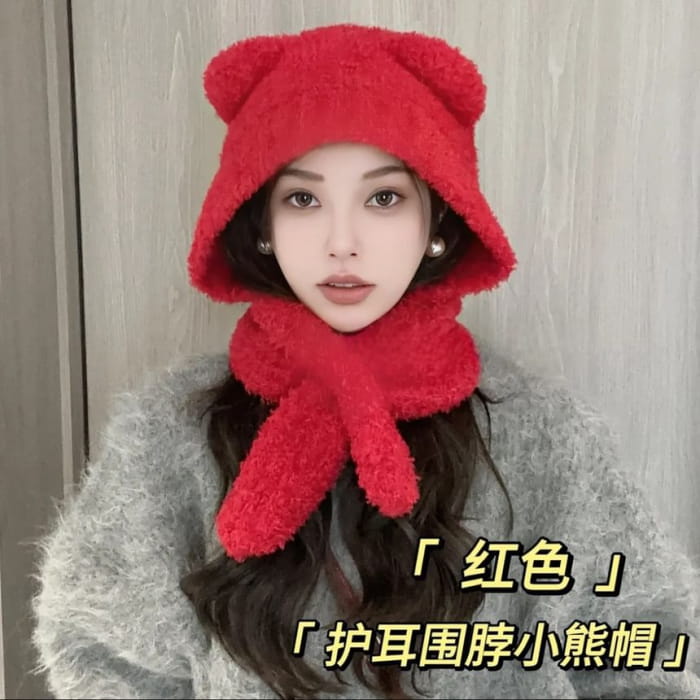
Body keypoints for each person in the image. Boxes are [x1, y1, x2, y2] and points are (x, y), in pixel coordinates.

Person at [30, 22, 699, 700]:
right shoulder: (169, 435)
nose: (342, 242)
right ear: (261, 226)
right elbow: (104, 663)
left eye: (384, 197)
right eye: (302, 199)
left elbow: (644, 656)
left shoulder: (546, 436)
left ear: (436, 221)